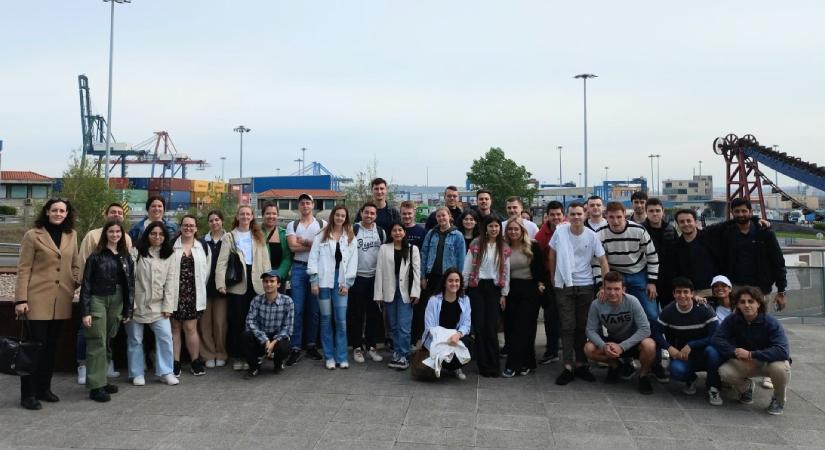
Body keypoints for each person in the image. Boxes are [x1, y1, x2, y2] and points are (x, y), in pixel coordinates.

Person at [14, 198, 80, 410]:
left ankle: (44, 388)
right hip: (36, 300)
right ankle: (28, 394)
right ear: (47, 212)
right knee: (34, 349)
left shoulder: (72, 235)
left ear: (67, 213)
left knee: (51, 349)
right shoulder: (33, 235)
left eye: (62, 210)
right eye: (55, 210)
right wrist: (21, 299)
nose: (59, 214)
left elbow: (75, 263)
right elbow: (24, 268)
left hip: (61, 300)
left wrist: (74, 280)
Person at [598, 201, 666, 382]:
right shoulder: (601, 233)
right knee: (622, 318)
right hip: (615, 275)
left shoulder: (638, 231)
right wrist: (602, 285)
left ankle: (656, 362)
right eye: (611, 217)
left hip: (638, 274)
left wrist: (652, 282)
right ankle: (625, 360)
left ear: (624, 216)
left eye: (619, 216)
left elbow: (652, 256)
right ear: (606, 217)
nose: (615, 221)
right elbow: (597, 261)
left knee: (652, 316)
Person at [547, 202, 609, 385]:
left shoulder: (592, 236)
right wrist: (553, 278)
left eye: (579, 214)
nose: (576, 217)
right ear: (568, 215)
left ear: (585, 214)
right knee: (567, 326)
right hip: (564, 284)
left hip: (585, 285)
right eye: (572, 214)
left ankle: (581, 364)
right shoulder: (560, 232)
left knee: (582, 327)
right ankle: (567, 365)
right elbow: (552, 255)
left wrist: (605, 285)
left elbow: (603, 261)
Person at [76, 202, 133, 384]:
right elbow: (86, 283)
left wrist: (128, 309)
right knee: (96, 341)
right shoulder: (96, 256)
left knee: (108, 339)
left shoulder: (125, 256)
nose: (115, 235)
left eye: (118, 232)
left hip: (117, 301)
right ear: (105, 234)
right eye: (111, 232)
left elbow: (129, 283)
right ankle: (95, 384)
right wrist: (85, 311)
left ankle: (103, 380)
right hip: (98, 299)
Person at [714, 286, 791, 415]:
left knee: (780, 368)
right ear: (737, 305)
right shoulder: (733, 320)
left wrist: (751, 354)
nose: (747, 305)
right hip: (745, 361)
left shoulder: (771, 322)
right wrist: (734, 352)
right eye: (742, 302)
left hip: (768, 362)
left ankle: (778, 400)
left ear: (759, 304)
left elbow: (782, 351)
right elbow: (717, 339)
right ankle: (746, 388)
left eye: (751, 301)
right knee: (725, 372)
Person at [217, 205, 273, 370]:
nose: (245, 216)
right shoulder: (230, 237)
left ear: (252, 217)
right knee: (238, 321)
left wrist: (269, 281)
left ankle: (255, 355)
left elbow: (265, 260)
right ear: (237, 216)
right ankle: (238, 356)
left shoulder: (258, 235)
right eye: (242, 214)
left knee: (256, 321)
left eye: (248, 214)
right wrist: (220, 283)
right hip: (238, 282)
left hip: (257, 281)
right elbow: (222, 262)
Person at [651, 277, 722, 405]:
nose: (682, 295)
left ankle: (713, 386)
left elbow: (715, 335)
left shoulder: (704, 309)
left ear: (692, 293)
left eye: (686, 292)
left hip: (705, 351)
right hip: (684, 355)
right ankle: (691, 379)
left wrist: (692, 344)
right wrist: (669, 348)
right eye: (678, 292)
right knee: (676, 370)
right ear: (673, 294)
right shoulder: (669, 311)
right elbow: (656, 333)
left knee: (713, 352)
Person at [584, 271, 656, 395]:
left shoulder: (632, 301)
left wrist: (622, 347)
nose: (612, 293)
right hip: (612, 340)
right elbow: (590, 330)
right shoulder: (596, 304)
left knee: (649, 345)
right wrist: (603, 346)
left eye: (616, 289)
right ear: (603, 289)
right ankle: (615, 366)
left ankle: (643, 376)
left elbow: (645, 329)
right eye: (609, 289)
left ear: (623, 289)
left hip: (632, 341)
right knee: (588, 348)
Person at [127, 221, 179, 386]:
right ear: (147, 234)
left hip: (159, 305)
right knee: (135, 339)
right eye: (153, 233)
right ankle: (136, 373)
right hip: (137, 304)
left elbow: (171, 282)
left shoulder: (169, 255)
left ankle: (166, 372)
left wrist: (168, 306)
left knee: (165, 338)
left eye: (161, 234)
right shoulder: (136, 253)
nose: (157, 237)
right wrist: (130, 304)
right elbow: (129, 280)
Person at [712, 198, 787, 311]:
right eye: (737, 211)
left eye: (744, 211)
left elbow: (778, 262)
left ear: (750, 212)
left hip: (761, 288)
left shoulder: (765, 234)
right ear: (732, 213)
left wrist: (781, 290)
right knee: (736, 324)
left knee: (760, 324)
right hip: (735, 288)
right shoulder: (726, 234)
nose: (740, 214)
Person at [307, 205, 358, 369]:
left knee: (341, 320)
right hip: (323, 283)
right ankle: (329, 356)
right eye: (337, 215)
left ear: (346, 218)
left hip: (341, 282)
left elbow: (353, 262)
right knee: (326, 319)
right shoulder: (321, 235)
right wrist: (314, 281)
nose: (340, 218)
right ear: (333, 216)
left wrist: (348, 283)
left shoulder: (350, 237)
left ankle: (342, 356)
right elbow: (313, 257)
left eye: (343, 216)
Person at [463, 214, 510, 377]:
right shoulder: (476, 243)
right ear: (485, 228)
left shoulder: (503, 246)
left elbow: (506, 271)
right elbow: (467, 267)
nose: (494, 229)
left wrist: (504, 293)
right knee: (480, 327)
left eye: (496, 226)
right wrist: (463, 288)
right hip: (477, 287)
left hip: (494, 288)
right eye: (491, 226)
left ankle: (493, 365)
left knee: (491, 327)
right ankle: (483, 365)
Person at [501, 219, 546, 377]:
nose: (513, 232)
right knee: (512, 328)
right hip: (511, 289)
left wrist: (541, 285)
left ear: (522, 230)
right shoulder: (504, 248)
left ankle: (512, 364)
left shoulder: (532, 245)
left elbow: (540, 268)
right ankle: (528, 362)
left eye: (516, 229)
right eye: (510, 229)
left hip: (530, 289)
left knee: (524, 327)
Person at [285, 193, 325, 365]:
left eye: (308, 203)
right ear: (298, 206)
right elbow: (293, 247)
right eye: (302, 203)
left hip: (317, 269)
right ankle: (295, 347)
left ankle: (311, 344)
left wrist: (307, 242)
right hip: (299, 268)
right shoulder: (292, 224)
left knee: (314, 310)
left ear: (313, 205)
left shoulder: (323, 224)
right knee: (298, 309)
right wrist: (313, 244)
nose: (305, 206)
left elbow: (324, 247)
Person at [375, 222, 421, 370]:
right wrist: (378, 293)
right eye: (394, 230)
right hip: (389, 289)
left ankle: (404, 355)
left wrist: (416, 292)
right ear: (391, 233)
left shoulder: (413, 249)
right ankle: (397, 352)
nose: (397, 233)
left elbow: (416, 272)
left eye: (400, 230)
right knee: (393, 326)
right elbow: (380, 271)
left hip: (405, 290)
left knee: (404, 326)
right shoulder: (384, 248)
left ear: (404, 232)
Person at [418, 207, 466, 345]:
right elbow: (424, 254)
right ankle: (431, 339)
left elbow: (461, 259)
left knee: (447, 308)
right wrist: (422, 277)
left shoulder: (457, 235)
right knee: (432, 308)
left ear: (449, 216)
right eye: (438, 216)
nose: (441, 219)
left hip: (449, 279)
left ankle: (449, 339)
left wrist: (459, 281)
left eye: (443, 216)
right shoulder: (431, 234)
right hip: (432, 277)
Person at [171, 215, 210, 377]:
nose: (188, 228)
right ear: (180, 227)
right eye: (185, 225)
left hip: (193, 293)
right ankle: (175, 363)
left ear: (196, 228)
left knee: (190, 328)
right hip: (174, 293)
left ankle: (195, 361)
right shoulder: (171, 246)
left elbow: (206, 271)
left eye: (191, 225)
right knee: (175, 328)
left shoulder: (203, 247)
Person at [349, 202, 386, 363]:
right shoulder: (353, 229)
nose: (369, 215)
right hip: (357, 278)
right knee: (357, 315)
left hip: (374, 279)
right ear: (361, 213)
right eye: (366, 212)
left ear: (375, 216)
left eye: (372, 213)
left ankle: (371, 347)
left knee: (373, 315)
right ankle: (357, 347)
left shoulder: (381, 232)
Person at [421, 268, 472, 380]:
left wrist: (457, 335)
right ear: (444, 283)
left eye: (457, 281)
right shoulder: (433, 300)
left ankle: (455, 367)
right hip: (437, 339)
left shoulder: (465, 300)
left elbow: (466, 325)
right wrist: (444, 339)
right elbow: (429, 327)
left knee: (468, 342)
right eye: (450, 280)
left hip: (455, 338)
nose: (454, 283)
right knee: (443, 349)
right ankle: (439, 363)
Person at [242, 271, 294, 379]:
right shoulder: (256, 300)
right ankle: (254, 367)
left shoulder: (287, 301)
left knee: (285, 345)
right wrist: (265, 340)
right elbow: (250, 322)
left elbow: (288, 327)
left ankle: (278, 363)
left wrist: (273, 342)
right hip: (261, 338)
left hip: (277, 338)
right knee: (246, 336)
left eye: (272, 281)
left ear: (278, 284)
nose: (268, 284)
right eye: (265, 281)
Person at [533, 200, 564, 364]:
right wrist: (540, 282)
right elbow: (537, 261)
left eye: (558, 214)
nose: (555, 217)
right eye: (552, 214)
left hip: (568, 277)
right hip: (548, 278)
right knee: (550, 314)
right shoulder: (540, 235)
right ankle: (551, 349)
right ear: (547, 216)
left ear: (563, 215)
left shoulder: (569, 229)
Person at [200, 210, 228, 368]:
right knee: (205, 323)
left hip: (222, 288)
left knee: (220, 323)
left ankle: (221, 352)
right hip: (204, 287)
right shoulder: (202, 242)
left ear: (222, 221)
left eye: (217, 219)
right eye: (211, 220)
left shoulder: (230, 239)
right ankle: (208, 354)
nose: (214, 223)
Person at [672, 209, 718, 295]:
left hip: (711, 291)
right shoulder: (675, 247)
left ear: (696, 222)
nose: (686, 224)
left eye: (689, 221)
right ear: (677, 225)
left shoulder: (710, 240)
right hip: (687, 295)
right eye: (682, 222)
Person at [642, 198, 677, 307]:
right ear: (646, 212)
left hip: (669, 280)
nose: (655, 214)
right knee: (651, 315)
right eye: (651, 211)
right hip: (648, 279)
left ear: (663, 211)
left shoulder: (671, 229)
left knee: (669, 312)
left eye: (657, 210)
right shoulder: (640, 230)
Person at [261, 201, 293, 281]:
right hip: (261, 276)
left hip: (279, 277)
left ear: (277, 215)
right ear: (263, 215)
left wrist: (279, 275)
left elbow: (288, 257)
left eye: (274, 214)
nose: (271, 216)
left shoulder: (284, 234)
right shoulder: (255, 233)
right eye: (268, 213)